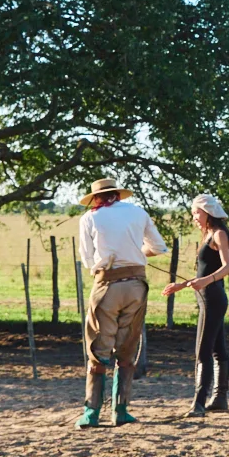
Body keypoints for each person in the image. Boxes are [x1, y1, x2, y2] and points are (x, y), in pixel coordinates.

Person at [74, 175, 168, 428]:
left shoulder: (90, 218)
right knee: (128, 344)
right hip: (137, 284)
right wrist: (137, 253)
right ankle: (121, 410)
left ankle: (91, 413)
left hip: (107, 284)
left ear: (96, 198)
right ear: (117, 194)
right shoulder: (138, 213)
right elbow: (159, 247)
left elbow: (87, 259)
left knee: (98, 345)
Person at [165, 194, 229, 416]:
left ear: (208, 213)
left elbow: (227, 267)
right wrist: (182, 285)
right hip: (209, 296)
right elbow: (202, 273)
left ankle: (198, 404)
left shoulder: (219, 234)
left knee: (202, 351)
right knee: (217, 349)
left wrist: (205, 281)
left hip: (213, 297)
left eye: (197, 212)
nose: (194, 217)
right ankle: (220, 398)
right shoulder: (208, 235)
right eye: (194, 213)